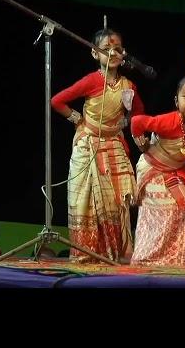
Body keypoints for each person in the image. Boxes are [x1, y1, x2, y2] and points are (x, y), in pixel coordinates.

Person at [51, 28, 145, 263]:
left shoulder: (128, 86)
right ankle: (87, 254)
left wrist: (125, 122)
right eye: (106, 48)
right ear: (95, 54)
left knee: (117, 204)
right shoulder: (91, 81)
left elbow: (140, 113)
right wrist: (78, 120)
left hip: (114, 145)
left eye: (118, 49)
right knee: (85, 202)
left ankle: (113, 255)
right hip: (88, 145)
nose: (113, 52)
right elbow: (57, 101)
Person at [129, 74, 185, 266]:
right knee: (171, 209)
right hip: (154, 170)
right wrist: (140, 142)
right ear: (177, 100)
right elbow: (136, 122)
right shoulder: (169, 121)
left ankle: (177, 260)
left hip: (175, 172)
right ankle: (148, 259)